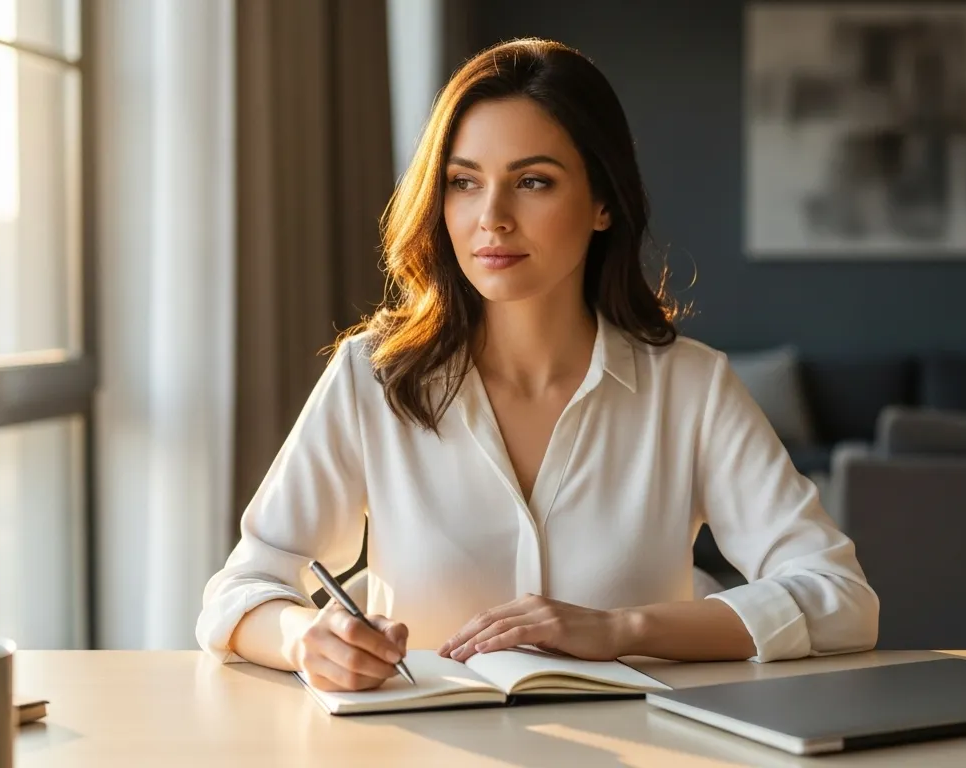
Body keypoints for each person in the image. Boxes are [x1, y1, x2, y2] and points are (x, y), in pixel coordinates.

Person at [196, 38, 878, 692]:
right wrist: (305, 639)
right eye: (464, 182)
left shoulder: (690, 388)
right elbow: (240, 591)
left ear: (603, 202)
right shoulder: (371, 377)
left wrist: (619, 629)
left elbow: (841, 599)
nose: (491, 217)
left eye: (532, 181)